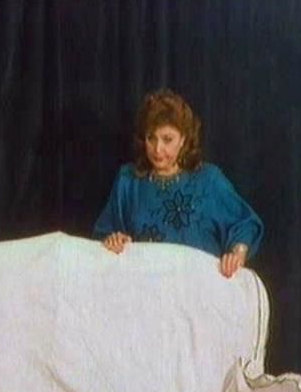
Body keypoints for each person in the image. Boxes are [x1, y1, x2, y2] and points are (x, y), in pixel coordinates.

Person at [93, 89, 263, 278]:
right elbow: (104, 234)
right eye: (151, 138)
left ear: (183, 139)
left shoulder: (208, 180)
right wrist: (113, 240)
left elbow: (245, 223)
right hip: (143, 288)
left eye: (167, 139)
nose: (157, 149)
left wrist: (236, 254)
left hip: (200, 287)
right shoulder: (128, 180)